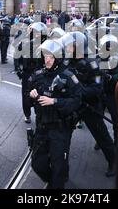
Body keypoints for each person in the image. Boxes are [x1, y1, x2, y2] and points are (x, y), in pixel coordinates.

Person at [61, 31, 116, 177]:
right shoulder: (67, 62)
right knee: (63, 135)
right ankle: (60, 166)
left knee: (101, 135)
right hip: (73, 106)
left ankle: (114, 162)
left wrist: (78, 92)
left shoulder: (93, 65)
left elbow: (97, 89)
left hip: (89, 106)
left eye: (70, 46)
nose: (67, 48)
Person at [28, 39, 82, 189]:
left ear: (58, 58)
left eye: (51, 57)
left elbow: (77, 100)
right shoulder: (38, 75)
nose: (47, 60)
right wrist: (32, 95)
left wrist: (55, 102)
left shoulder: (68, 76)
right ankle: (51, 182)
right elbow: (28, 92)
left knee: (59, 169)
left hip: (60, 130)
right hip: (41, 128)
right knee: (37, 163)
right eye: (45, 56)